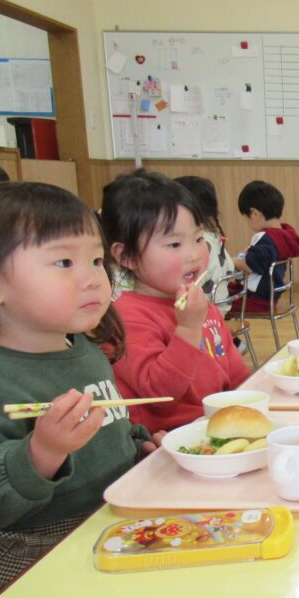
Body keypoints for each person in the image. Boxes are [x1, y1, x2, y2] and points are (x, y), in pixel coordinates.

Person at [0, 182, 160, 598]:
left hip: (107, 521)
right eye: (64, 261)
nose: (94, 279)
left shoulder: (83, 351)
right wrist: (41, 452)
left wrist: (142, 446)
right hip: (31, 549)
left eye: (96, 260)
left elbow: (110, 428)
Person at [101, 169, 249, 433]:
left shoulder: (202, 306)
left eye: (199, 239)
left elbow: (236, 376)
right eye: (174, 245)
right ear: (127, 257)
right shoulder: (125, 318)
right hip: (171, 444)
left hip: (220, 428)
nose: (194, 254)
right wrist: (189, 329)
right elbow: (161, 394)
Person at [234, 180, 299, 314]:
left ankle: (225, 335)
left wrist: (231, 260)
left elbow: (249, 265)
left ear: (254, 213)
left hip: (255, 299)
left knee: (216, 301)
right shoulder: (284, 235)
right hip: (271, 297)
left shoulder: (264, 237)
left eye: (246, 218)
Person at [175, 175, 235, 304]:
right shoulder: (214, 237)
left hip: (206, 309)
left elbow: (190, 287)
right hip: (221, 304)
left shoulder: (200, 242)